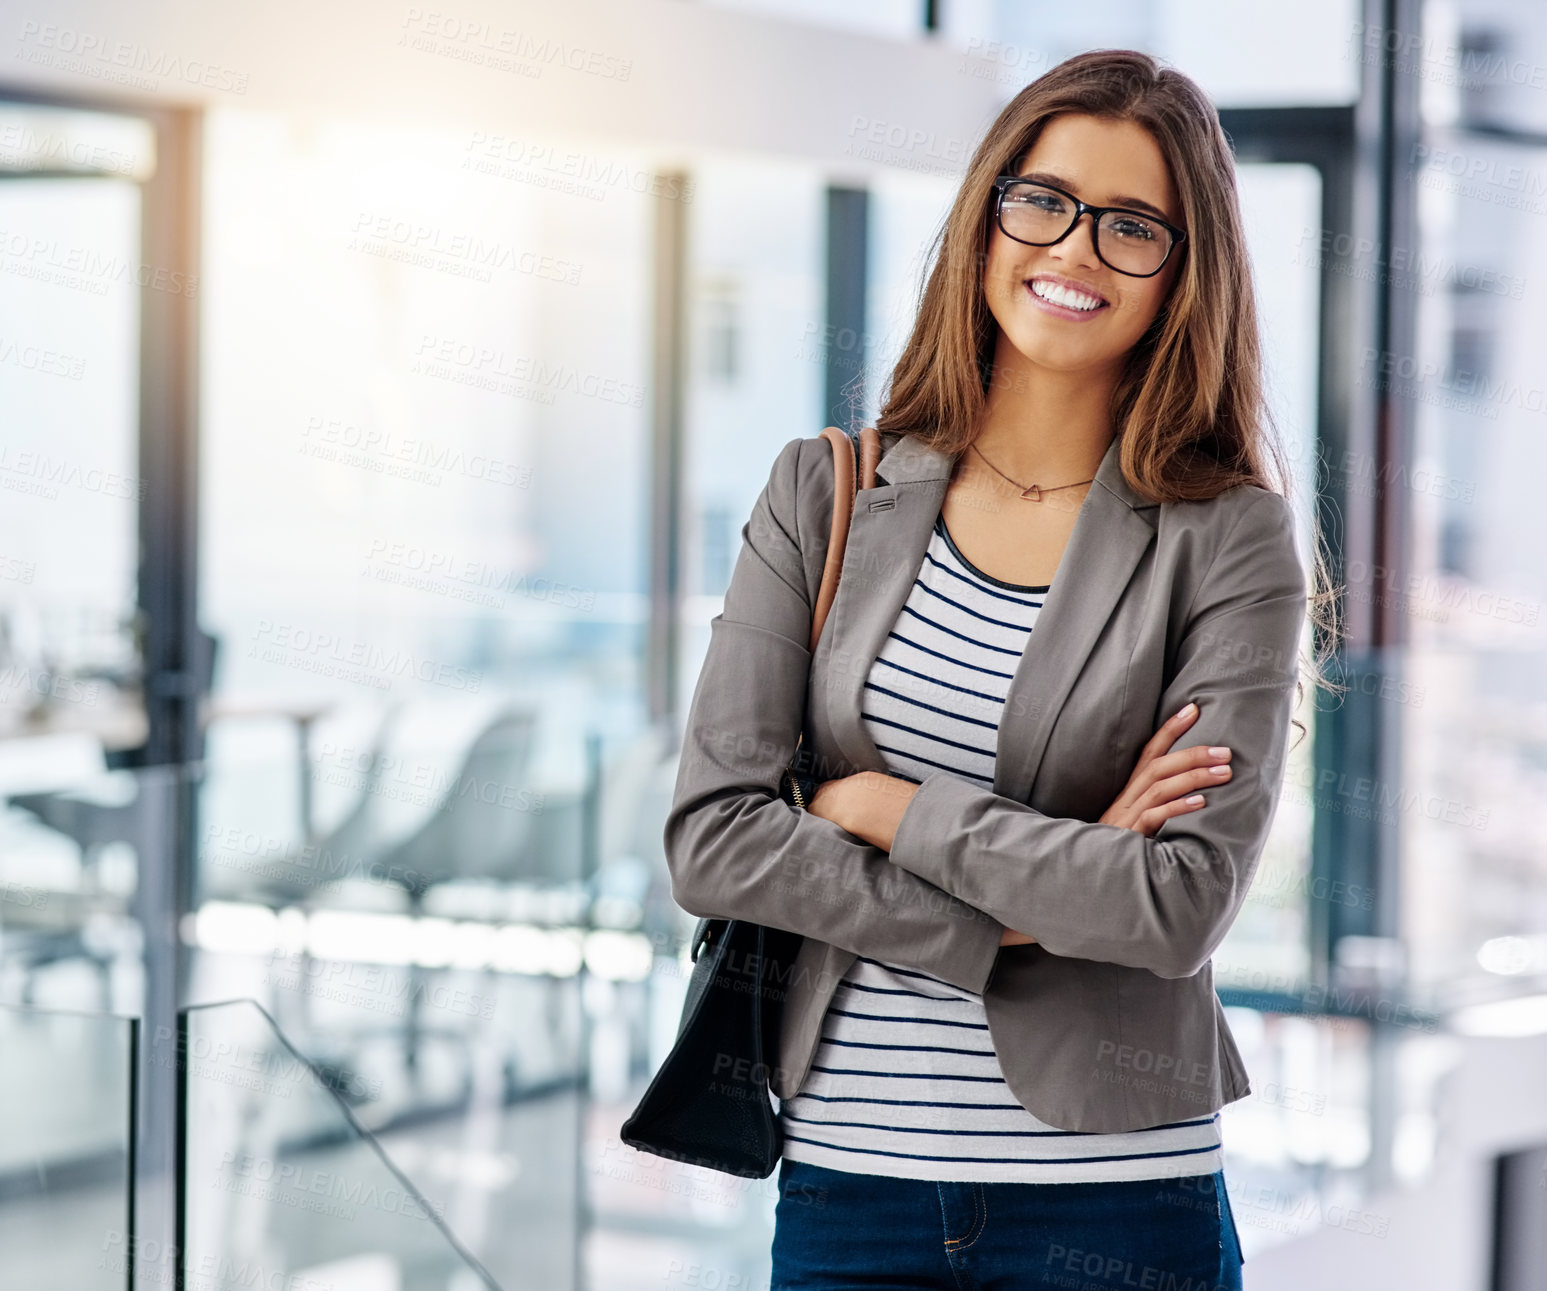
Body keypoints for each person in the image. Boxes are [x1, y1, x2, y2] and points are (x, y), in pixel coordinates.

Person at [664, 47, 1341, 1291]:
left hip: (1118, 1207)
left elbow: (1178, 904)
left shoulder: (1227, 534)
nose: (1074, 250)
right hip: (846, 1193)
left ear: (1183, 276)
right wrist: (1026, 911)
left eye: (1132, 225)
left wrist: (884, 809)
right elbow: (713, 837)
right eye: (1043, 200)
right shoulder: (822, 494)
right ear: (986, 217)